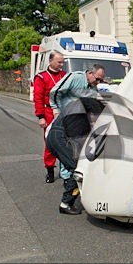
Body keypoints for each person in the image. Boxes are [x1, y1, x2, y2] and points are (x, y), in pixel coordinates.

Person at [47, 65, 105, 215]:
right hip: (59, 136)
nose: (98, 82)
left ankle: (78, 193)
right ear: (90, 73)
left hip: (59, 133)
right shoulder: (77, 81)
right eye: (97, 79)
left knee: (79, 163)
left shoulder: (86, 100)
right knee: (79, 168)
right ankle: (65, 204)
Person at [33, 51, 67, 183]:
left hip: (63, 111)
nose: (61, 64)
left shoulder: (64, 75)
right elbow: (38, 98)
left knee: (66, 142)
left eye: (62, 62)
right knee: (50, 142)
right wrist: (41, 116)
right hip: (48, 112)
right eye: (59, 62)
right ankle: (50, 170)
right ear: (51, 61)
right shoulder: (41, 77)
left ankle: (66, 172)